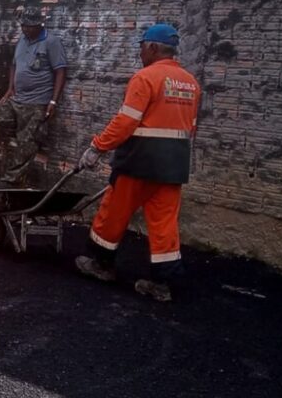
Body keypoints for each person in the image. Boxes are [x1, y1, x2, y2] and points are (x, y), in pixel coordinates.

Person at [74, 23, 201, 302]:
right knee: (164, 224)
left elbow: (125, 122)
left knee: (113, 213)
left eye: (142, 46)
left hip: (139, 162)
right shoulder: (190, 83)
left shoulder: (146, 78)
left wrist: (97, 147)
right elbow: (190, 127)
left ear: (153, 47)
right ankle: (162, 284)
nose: (140, 52)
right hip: (173, 166)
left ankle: (101, 265)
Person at [0, 6, 68, 185]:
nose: (25, 29)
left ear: (39, 25)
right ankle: (28, 135)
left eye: (29, 26)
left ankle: (9, 181)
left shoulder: (51, 42)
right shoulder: (22, 40)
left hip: (37, 102)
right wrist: (10, 88)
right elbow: (14, 65)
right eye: (23, 26)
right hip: (17, 98)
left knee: (26, 145)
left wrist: (53, 100)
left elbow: (60, 71)